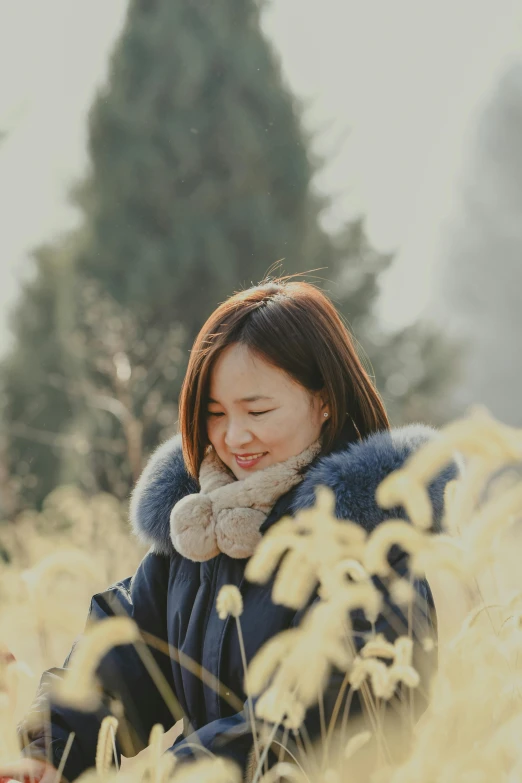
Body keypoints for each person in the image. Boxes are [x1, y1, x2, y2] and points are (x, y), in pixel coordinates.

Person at [16, 279, 458, 782]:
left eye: (258, 410)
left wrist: (172, 774)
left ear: (326, 400)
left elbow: (323, 720)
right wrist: (48, 752)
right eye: (215, 414)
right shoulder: (197, 530)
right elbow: (118, 657)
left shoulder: (377, 540)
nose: (234, 437)